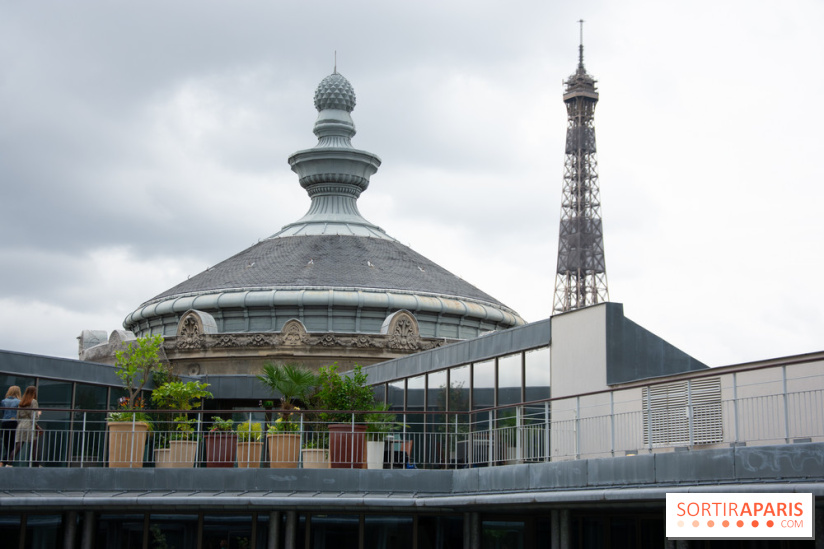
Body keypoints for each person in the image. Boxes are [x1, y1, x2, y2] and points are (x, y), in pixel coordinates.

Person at [8, 386, 41, 466]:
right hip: (29, 424)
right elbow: (33, 416)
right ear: (34, 393)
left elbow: (18, 416)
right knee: (34, 445)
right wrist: (38, 415)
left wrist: (21, 423)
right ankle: (36, 464)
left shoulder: (21, 402)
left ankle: (9, 464)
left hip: (21, 425)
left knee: (18, 445)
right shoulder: (33, 401)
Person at [1, 386, 21, 467]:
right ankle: (5, 462)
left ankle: (4, 462)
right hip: (14, 423)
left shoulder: (3, 401)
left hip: (5, 423)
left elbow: (3, 411)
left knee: (7, 444)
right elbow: (19, 413)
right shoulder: (19, 402)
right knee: (13, 445)